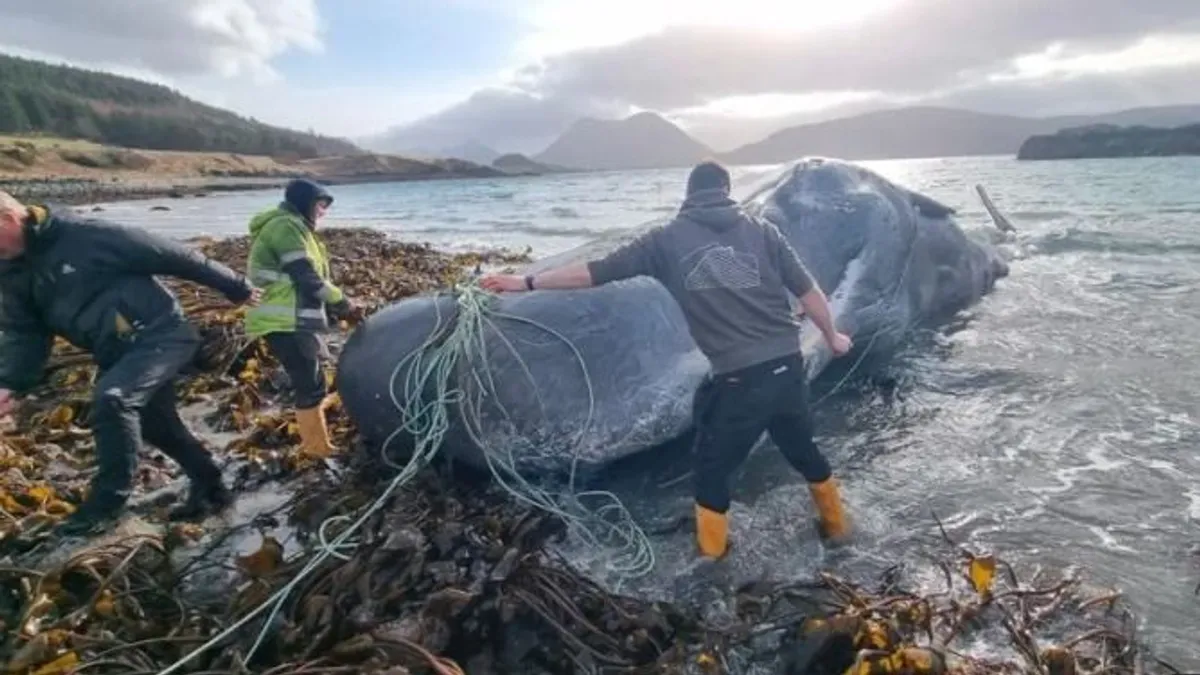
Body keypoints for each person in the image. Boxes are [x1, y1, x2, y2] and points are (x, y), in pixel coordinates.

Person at [480, 161, 854, 559]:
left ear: (688, 195)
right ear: (726, 190)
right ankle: (839, 532)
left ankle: (712, 567)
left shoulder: (665, 240)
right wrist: (833, 337)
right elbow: (810, 292)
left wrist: (527, 282)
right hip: (788, 369)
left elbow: (594, 273)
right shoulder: (764, 232)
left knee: (711, 473)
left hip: (740, 381)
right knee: (803, 451)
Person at [0, 191, 260, 536]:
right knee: (157, 427)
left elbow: (169, 253)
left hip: (162, 333)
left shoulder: (81, 234)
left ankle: (108, 503)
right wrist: (11, 383)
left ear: (10, 219)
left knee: (113, 398)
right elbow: (27, 334)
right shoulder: (11, 271)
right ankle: (211, 484)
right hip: (115, 351)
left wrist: (235, 285)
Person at [243, 178, 354, 461]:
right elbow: (306, 276)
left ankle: (317, 438)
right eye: (320, 204)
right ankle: (317, 449)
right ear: (304, 203)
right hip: (283, 320)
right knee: (309, 383)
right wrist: (341, 301)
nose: (323, 211)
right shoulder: (285, 227)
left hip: (294, 319)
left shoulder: (297, 228)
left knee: (316, 376)